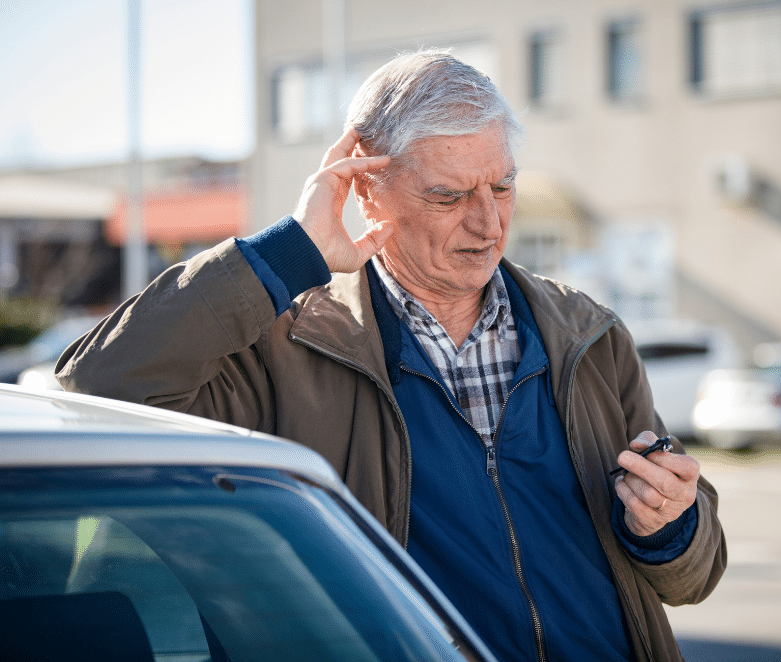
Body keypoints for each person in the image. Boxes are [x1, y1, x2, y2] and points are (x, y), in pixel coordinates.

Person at [57, 50, 725, 662]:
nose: (488, 223)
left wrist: (668, 527)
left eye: (501, 187)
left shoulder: (589, 335)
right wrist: (289, 252)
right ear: (367, 189)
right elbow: (95, 386)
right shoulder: (286, 350)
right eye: (449, 195)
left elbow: (695, 574)